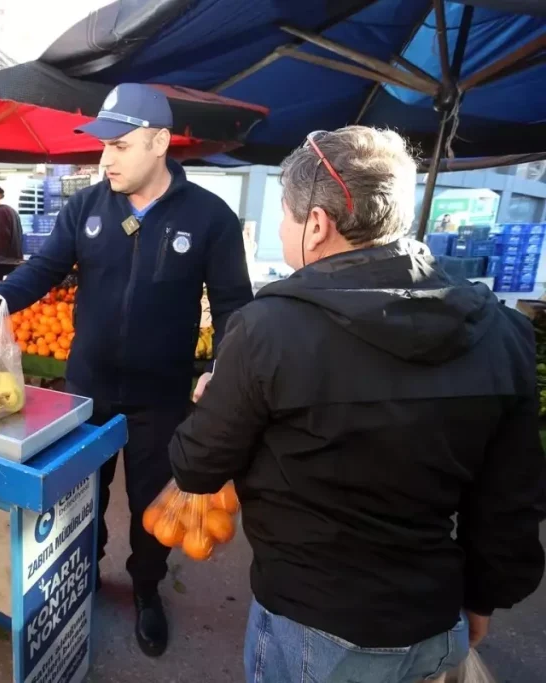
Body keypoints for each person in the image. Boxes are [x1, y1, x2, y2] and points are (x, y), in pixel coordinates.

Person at [168, 126, 546, 683]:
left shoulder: (268, 329)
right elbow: (510, 501)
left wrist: (214, 402)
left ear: (317, 224)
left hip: (310, 626)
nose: (284, 229)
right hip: (437, 620)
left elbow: (197, 467)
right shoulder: (503, 332)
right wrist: (485, 598)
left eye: (286, 217)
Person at [0, 83, 254, 658]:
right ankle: (84, 571)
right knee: (80, 496)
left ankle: (146, 589)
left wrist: (225, 366)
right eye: (102, 146)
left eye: (120, 145)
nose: (106, 158)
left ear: (161, 142)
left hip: (160, 397)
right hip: (87, 392)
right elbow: (41, 269)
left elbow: (236, 305)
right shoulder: (85, 207)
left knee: (150, 504)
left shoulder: (210, 217)